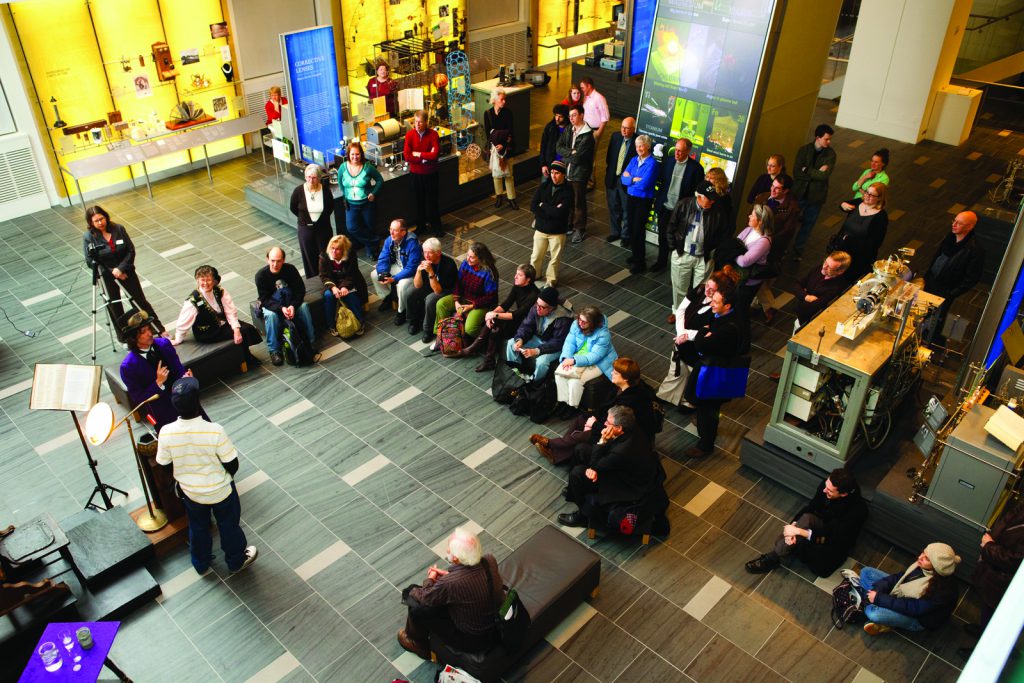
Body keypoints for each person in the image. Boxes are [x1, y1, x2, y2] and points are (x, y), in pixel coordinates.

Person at [156, 377, 258, 575]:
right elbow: (232, 464)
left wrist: (183, 476)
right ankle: (236, 560)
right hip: (221, 491)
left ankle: (200, 562)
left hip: (192, 493)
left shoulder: (166, 432)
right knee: (228, 526)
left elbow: (164, 465)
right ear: (198, 403)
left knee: (198, 527)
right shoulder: (215, 430)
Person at [397, 527, 503, 659]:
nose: (447, 550)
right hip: (496, 625)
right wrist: (448, 576)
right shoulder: (489, 560)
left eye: (449, 549)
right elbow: (472, 579)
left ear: (457, 559)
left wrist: (430, 578)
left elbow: (425, 597)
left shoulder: (450, 583)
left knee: (413, 599)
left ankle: (417, 643)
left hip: (472, 640)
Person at [532, 357, 659, 465]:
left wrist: (594, 425)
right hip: (609, 420)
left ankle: (551, 445)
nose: (612, 373)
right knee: (582, 419)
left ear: (625, 378)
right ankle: (558, 453)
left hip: (623, 434)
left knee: (584, 435)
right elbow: (604, 407)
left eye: (616, 373)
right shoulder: (623, 387)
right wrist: (592, 418)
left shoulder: (630, 402)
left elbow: (618, 426)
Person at [745, 468, 868, 577]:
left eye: (830, 490)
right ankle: (774, 556)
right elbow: (811, 507)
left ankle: (786, 548)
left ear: (844, 494)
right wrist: (792, 527)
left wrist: (799, 531)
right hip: (821, 525)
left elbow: (833, 536)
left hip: (835, 540)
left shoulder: (857, 511)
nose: (824, 490)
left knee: (818, 565)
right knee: (803, 521)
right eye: (826, 485)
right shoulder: (827, 487)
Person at [679, 275, 749, 457]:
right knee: (707, 406)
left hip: (716, 371)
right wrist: (707, 332)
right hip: (715, 365)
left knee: (708, 407)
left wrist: (703, 331)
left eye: (716, 302)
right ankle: (704, 426)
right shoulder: (725, 315)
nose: (711, 304)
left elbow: (702, 344)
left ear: (727, 306)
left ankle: (705, 444)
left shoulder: (727, 328)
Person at [556, 406, 660, 528]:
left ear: (619, 427)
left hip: (624, 484)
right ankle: (573, 491)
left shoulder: (622, 451)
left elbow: (596, 464)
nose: (604, 423)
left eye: (608, 422)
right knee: (581, 449)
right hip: (620, 466)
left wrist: (602, 441)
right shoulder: (632, 427)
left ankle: (584, 516)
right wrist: (594, 468)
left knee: (577, 474)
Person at [657, 269, 739, 409]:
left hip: (697, 347)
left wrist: (687, 335)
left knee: (693, 374)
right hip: (683, 341)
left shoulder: (717, 308)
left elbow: (709, 331)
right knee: (677, 370)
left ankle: (688, 401)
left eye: (712, 290)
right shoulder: (700, 290)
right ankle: (667, 395)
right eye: (707, 286)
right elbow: (681, 310)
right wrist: (682, 332)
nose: (707, 290)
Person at [82, 205, 163, 341]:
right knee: (115, 307)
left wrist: (121, 269)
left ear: (106, 216)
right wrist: (113, 272)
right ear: (91, 223)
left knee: (139, 301)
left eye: (101, 219)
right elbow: (91, 261)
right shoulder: (88, 237)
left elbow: (130, 250)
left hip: (126, 271)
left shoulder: (118, 229)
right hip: (107, 276)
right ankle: (125, 338)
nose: (100, 223)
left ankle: (157, 329)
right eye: (96, 221)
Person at [857, 543, 960, 635]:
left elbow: (913, 608)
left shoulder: (942, 591)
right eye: (923, 552)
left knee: (873, 613)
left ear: (937, 566)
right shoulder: (922, 566)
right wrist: (878, 591)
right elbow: (898, 578)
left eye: (927, 558)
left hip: (917, 619)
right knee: (867, 572)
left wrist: (879, 598)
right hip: (902, 597)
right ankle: (871, 600)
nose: (920, 557)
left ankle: (869, 602)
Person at [962, 499, 1024, 651]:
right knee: (988, 607)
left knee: (998, 617)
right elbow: (1007, 520)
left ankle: (985, 650)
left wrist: (989, 546)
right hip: (996, 573)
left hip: (1008, 580)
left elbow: (1015, 560)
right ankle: (984, 630)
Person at [170, 265, 262, 365]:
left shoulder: (220, 291)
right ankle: (247, 358)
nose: (205, 283)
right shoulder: (193, 300)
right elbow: (183, 322)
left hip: (222, 323)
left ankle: (244, 353)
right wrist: (178, 338)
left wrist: (236, 329)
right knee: (243, 331)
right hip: (207, 332)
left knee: (247, 328)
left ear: (213, 280)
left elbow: (230, 311)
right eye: (202, 280)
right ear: (197, 280)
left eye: (208, 280)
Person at [457, 263, 538, 371]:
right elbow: (505, 305)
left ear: (528, 279)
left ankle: (475, 350)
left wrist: (493, 314)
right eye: (516, 274)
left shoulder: (534, 295)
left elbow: (517, 315)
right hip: (516, 319)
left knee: (496, 327)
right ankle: (486, 359)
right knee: (495, 325)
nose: (515, 277)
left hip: (525, 325)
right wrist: (490, 315)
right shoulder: (518, 286)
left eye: (519, 275)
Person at [119, 309, 190, 432]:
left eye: (148, 328)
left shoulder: (164, 344)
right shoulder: (128, 367)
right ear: (133, 338)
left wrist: (186, 377)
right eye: (143, 332)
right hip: (162, 412)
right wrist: (158, 383)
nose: (149, 333)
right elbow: (139, 398)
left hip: (184, 401)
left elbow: (178, 369)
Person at [923, 210, 984, 343]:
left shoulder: (974, 250)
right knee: (922, 312)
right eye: (954, 221)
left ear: (969, 227)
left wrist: (951, 293)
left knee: (936, 319)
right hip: (931, 282)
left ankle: (930, 342)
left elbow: (971, 279)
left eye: (959, 223)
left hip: (945, 290)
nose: (954, 225)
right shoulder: (950, 237)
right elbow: (938, 257)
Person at [666, 179, 729, 309]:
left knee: (702, 291)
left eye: (713, 198)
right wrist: (674, 249)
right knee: (679, 289)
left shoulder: (717, 210)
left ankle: (693, 314)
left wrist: (713, 252)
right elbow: (671, 228)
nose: (712, 201)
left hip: (704, 258)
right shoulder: (684, 205)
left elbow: (723, 233)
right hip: (683, 254)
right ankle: (677, 312)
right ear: (699, 197)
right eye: (709, 198)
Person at [255, 247, 316, 366]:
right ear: (267, 260)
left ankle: (311, 342)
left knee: (304, 307)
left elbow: (300, 291)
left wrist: (293, 306)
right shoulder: (261, 276)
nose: (275, 264)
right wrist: (281, 308)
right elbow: (264, 299)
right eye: (272, 260)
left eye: (278, 261)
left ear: (283, 260)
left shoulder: (291, 270)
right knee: (271, 316)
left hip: (291, 302)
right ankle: (275, 351)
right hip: (274, 306)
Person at [554, 306, 618, 417]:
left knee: (575, 380)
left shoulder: (603, 334)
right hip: (576, 358)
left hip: (599, 363)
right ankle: (563, 402)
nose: (580, 323)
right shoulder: (576, 324)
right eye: (580, 319)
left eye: (584, 322)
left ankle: (572, 407)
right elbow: (570, 343)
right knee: (560, 374)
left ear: (593, 323)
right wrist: (566, 358)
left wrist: (574, 361)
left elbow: (594, 356)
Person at [752, 174, 800, 323]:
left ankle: (768, 308)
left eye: (777, 188)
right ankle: (762, 306)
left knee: (761, 281)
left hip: (772, 250)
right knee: (756, 280)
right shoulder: (763, 198)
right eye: (772, 186)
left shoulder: (792, 208)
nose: (772, 190)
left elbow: (786, 233)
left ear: (786, 191)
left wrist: (766, 241)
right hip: (754, 244)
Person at [653, 139, 705, 274]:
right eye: (676, 149)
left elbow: (696, 193)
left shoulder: (696, 169)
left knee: (678, 240)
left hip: (681, 211)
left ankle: (677, 267)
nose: (677, 153)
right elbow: (662, 182)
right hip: (665, 206)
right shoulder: (668, 161)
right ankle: (661, 261)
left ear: (688, 151)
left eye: (680, 151)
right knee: (662, 236)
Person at [434, 242, 499, 342]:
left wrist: (472, 306)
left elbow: (490, 298)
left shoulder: (489, 273)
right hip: (464, 298)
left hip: (480, 304)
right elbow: (458, 283)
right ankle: (441, 335)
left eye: (472, 257)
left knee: (470, 328)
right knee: (441, 304)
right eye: (467, 255)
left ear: (481, 258)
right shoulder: (465, 264)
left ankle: (490, 337)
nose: (468, 259)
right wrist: (456, 301)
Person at [506, 287, 573, 381]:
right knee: (511, 343)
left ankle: (534, 382)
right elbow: (526, 325)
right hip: (539, 338)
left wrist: (537, 351)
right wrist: (520, 339)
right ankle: (515, 372)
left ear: (552, 308)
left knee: (542, 362)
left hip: (556, 346)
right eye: (537, 304)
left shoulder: (563, 319)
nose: (538, 308)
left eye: (542, 307)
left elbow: (557, 343)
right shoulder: (537, 308)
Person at [791, 124, 836, 259]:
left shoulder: (831, 154)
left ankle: (797, 251)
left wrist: (807, 170)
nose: (829, 142)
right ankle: (784, 249)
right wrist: (815, 173)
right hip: (799, 194)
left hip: (816, 198)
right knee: (790, 223)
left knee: (807, 226)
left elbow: (823, 176)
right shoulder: (804, 150)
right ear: (818, 137)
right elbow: (796, 172)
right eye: (827, 139)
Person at [530, 160, 574, 288]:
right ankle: (535, 275)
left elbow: (560, 213)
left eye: (557, 173)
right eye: (552, 173)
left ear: (563, 175)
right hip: (541, 229)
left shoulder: (568, 191)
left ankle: (551, 280)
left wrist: (543, 205)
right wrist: (551, 211)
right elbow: (533, 205)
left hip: (557, 231)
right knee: (536, 256)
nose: (553, 176)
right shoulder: (544, 187)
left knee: (554, 259)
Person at [832, 181, 888, 280]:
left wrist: (850, 241)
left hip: (858, 257)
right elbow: (843, 204)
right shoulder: (858, 202)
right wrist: (843, 204)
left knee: (845, 280)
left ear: (879, 198)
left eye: (871, 195)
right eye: (867, 192)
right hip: (841, 248)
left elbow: (875, 243)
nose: (867, 196)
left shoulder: (881, 217)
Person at [406, 237, 458, 342]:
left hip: (446, 289)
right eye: (424, 252)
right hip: (431, 285)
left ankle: (427, 330)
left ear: (438, 253)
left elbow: (438, 291)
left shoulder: (448, 264)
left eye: (429, 253)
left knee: (430, 299)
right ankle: (413, 321)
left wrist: (430, 273)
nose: (426, 255)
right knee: (410, 292)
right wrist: (418, 271)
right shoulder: (425, 259)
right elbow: (417, 285)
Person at [555, 105, 594, 243]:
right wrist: (571, 152)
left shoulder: (587, 136)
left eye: (574, 115)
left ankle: (580, 229)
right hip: (568, 170)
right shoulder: (568, 129)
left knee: (579, 202)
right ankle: (569, 224)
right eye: (570, 116)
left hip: (579, 174)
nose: (571, 118)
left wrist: (570, 154)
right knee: (568, 200)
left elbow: (579, 158)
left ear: (581, 115)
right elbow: (558, 147)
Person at [371, 219, 423, 323]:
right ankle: (388, 297)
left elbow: (411, 268)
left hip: (412, 272)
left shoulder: (412, 244)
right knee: (374, 274)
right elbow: (383, 258)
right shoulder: (389, 240)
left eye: (395, 230)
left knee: (402, 286)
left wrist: (394, 279)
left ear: (403, 232)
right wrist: (383, 273)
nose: (391, 232)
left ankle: (401, 311)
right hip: (399, 266)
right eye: (390, 229)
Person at [338, 140, 384, 258]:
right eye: (352, 154)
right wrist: (346, 196)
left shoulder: (368, 167)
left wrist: (373, 193)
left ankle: (371, 250)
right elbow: (340, 184)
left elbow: (379, 180)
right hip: (350, 204)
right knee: (352, 227)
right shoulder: (343, 168)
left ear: (361, 155)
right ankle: (375, 241)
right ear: (348, 154)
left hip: (367, 203)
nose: (355, 157)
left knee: (370, 227)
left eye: (357, 154)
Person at [290, 163, 335, 278]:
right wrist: (305, 219)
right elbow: (293, 208)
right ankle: (313, 280)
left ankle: (328, 277)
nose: (311, 180)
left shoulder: (325, 191)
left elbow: (330, 207)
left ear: (319, 178)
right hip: (305, 229)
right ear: (305, 177)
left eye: (314, 177)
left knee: (325, 254)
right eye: (308, 177)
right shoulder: (298, 191)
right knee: (309, 256)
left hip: (323, 229)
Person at [622, 135, 660, 271]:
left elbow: (644, 184)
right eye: (637, 146)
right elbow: (623, 178)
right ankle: (635, 255)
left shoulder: (653, 164)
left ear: (648, 146)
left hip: (643, 200)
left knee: (638, 230)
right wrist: (633, 179)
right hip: (631, 198)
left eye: (641, 146)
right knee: (631, 228)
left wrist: (630, 180)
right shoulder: (633, 160)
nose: (638, 149)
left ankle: (640, 262)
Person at [404, 110, 443, 237]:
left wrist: (419, 154)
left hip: (431, 174)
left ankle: (436, 227)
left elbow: (435, 154)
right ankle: (421, 226)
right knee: (418, 202)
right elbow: (407, 156)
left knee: (433, 202)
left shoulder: (433, 135)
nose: (417, 125)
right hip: (416, 175)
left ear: (426, 122)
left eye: (420, 122)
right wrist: (425, 158)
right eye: (415, 122)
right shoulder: (409, 135)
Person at [732, 204, 775, 315]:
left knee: (740, 309)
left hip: (748, 282)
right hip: (737, 277)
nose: (749, 216)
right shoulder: (748, 230)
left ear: (760, 221)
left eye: (752, 215)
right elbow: (733, 245)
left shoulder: (764, 241)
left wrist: (734, 254)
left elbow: (744, 262)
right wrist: (737, 253)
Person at [319, 235, 368, 332]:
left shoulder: (351, 255)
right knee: (329, 296)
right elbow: (323, 275)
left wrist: (345, 287)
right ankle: (331, 325)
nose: (333, 252)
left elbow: (352, 273)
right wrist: (333, 287)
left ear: (343, 250)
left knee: (350, 295)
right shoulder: (324, 256)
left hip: (349, 281)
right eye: (332, 248)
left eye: (337, 249)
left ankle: (359, 322)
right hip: (332, 282)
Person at [795, 251, 852, 328]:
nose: (824, 267)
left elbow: (812, 308)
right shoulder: (819, 268)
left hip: (812, 323)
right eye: (825, 262)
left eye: (829, 267)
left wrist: (802, 293)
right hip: (800, 317)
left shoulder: (837, 287)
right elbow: (796, 285)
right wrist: (806, 297)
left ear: (840, 271)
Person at [604, 117, 637, 242]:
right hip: (613, 178)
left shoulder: (636, 142)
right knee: (613, 207)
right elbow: (609, 157)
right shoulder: (615, 136)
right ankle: (615, 232)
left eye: (627, 128)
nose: (623, 130)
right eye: (622, 127)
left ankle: (625, 236)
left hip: (627, 182)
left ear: (633, 129)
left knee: (627, 209)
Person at [485, 89, 518, 210]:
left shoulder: (508, 113)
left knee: (509, 174)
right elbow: (488, 133)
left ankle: (511, 198)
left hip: (507, 146)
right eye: (501, 99)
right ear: (494, 100)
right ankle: (499, 196)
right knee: (496, 175)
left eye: (505, 99)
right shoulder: (487, 113)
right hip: (495, 148)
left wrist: (503, 145)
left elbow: (511, 131)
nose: (504, 102)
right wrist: (496, 145)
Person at [539, 104, 570, 180]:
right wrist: (543, 165)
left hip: (564, 165)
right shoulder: (550, 127)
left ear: (566, 117)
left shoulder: (570, 129)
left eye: (560, 117)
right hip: (550, 165)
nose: (557, 118)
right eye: (556, 115)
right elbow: (543, 146)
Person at [579, 76, 609, 146]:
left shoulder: (599, 98)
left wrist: (598, 133)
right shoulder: (585, 97)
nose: (582, 90)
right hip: (585, 129)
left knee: (592, 153)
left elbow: (605, 117)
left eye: (583, 88)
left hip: (594, 131)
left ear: (589, 86)